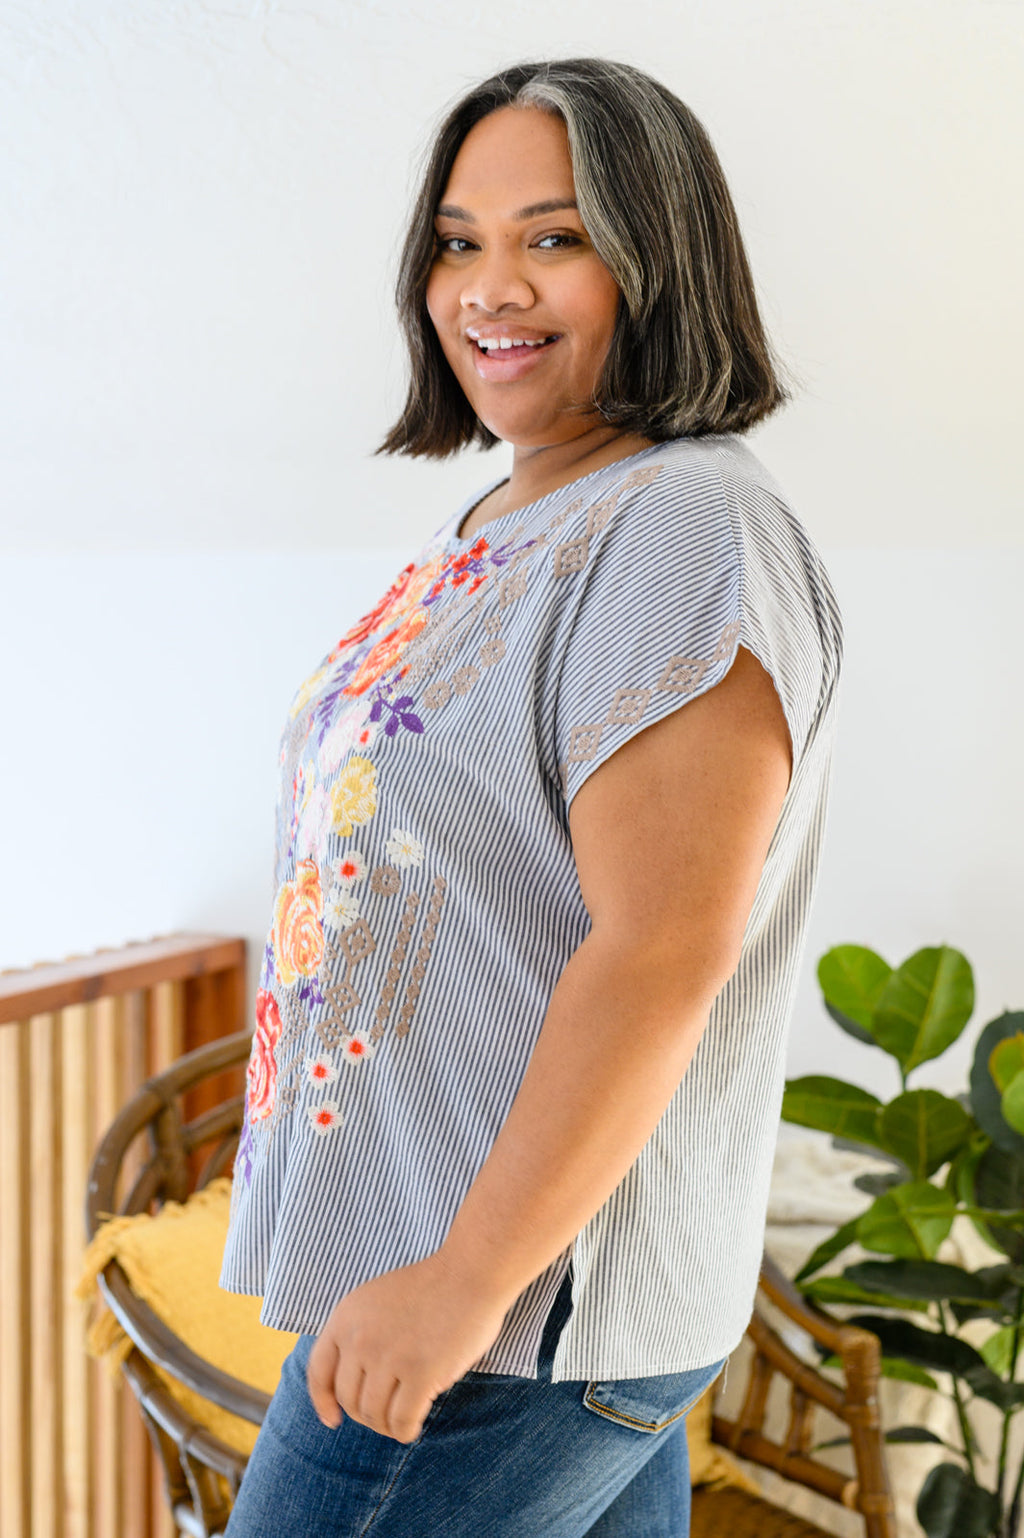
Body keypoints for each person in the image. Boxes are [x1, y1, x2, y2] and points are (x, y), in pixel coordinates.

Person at [221, 56, 842, 1538]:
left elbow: (658, 950)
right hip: (509, 1300)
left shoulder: (685, 519)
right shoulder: (518, 509)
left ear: (659, 256)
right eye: (458, 240)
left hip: (512, 1314)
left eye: (554, 237)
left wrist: (463, 1283)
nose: (489, 286)